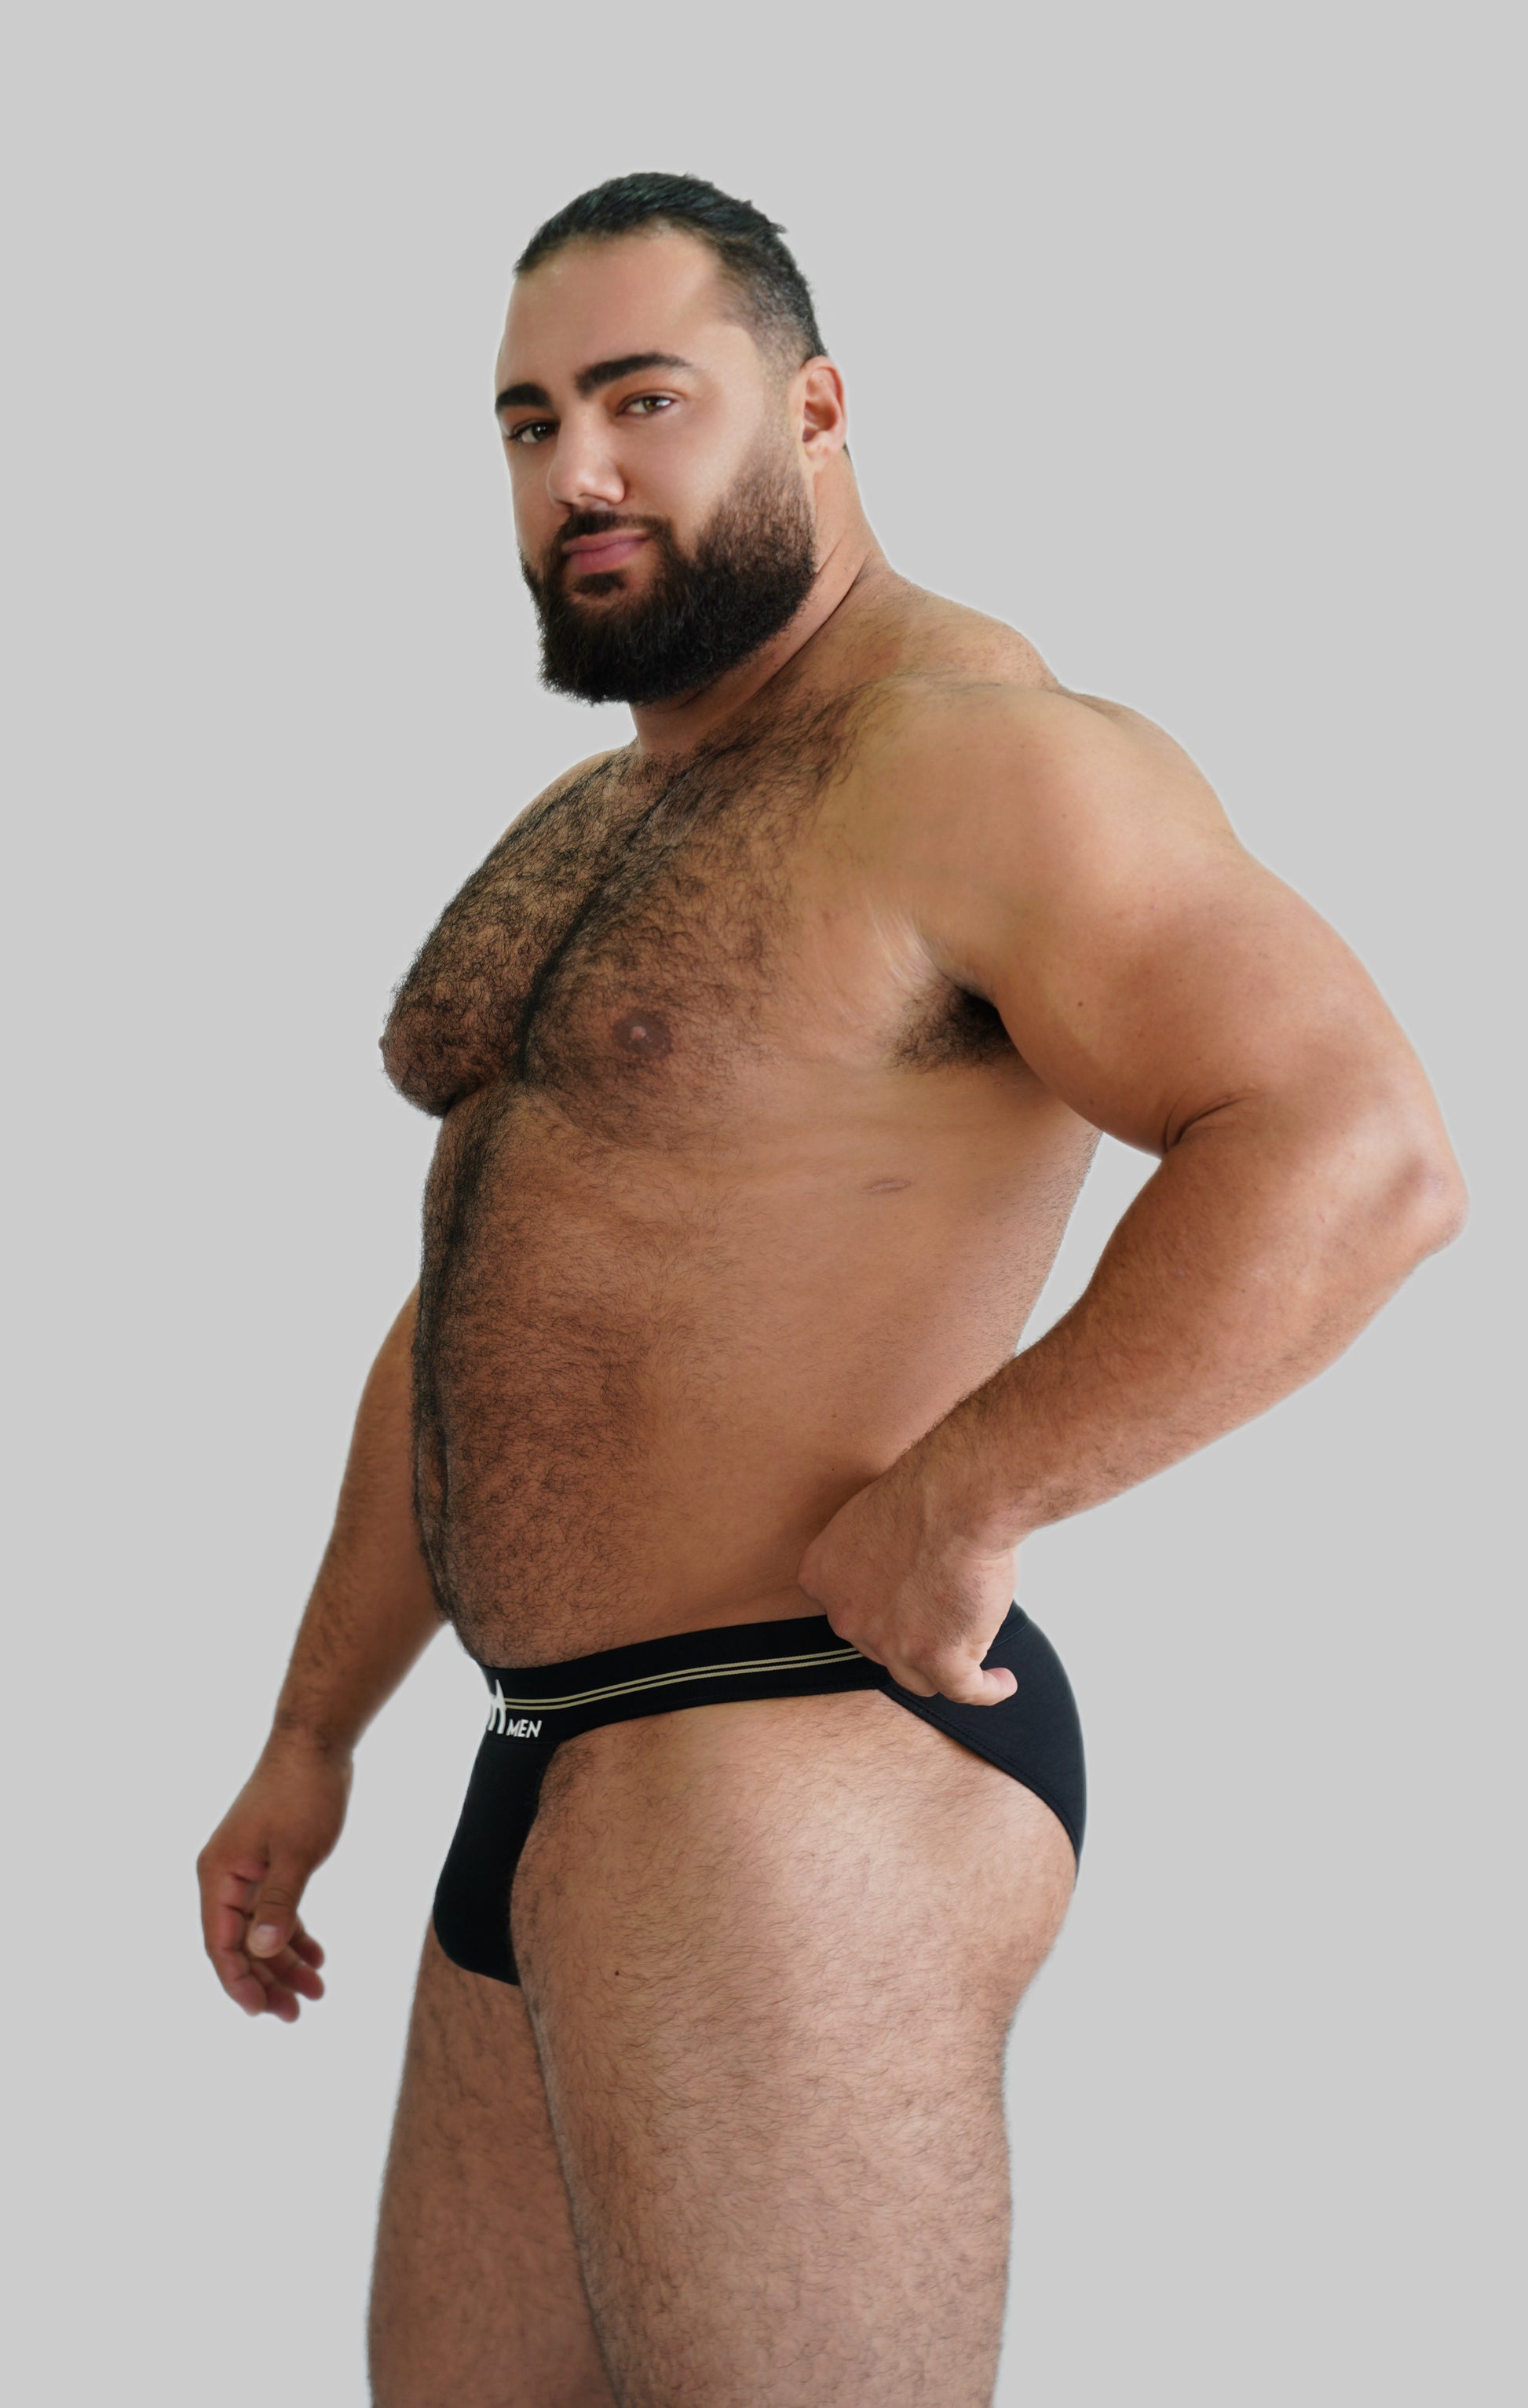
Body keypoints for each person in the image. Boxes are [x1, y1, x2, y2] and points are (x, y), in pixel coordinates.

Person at [196, 173, 1466, 2406]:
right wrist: (314, 1727)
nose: (579, 471)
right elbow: (479, 1307)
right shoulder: (597, 825)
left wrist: (974, 1494)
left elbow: (1356, 1149)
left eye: (643, 400)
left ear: (813, 408)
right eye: (528, 422)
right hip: (546, 1757)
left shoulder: (975, 758)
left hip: (783, 1747)